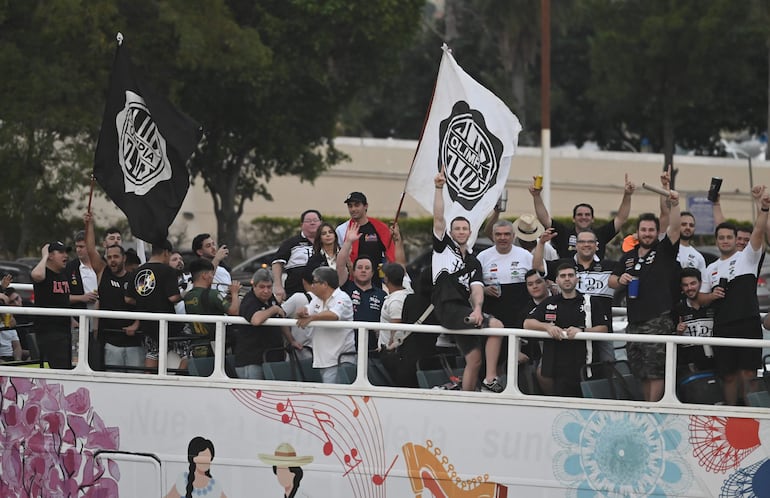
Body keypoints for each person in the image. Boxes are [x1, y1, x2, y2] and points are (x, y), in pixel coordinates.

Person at [431, 167, 506, 393]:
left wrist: (478, 309)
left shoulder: (474, 261)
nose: (461, 231)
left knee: (474, 359)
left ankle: (467, 396)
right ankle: (491, 378)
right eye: (457, 228)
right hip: (446, 307)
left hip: (463, 310)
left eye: (465, 228)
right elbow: (437, 218)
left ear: (470, 231)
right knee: (497, 325)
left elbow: (477, 289)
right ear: (452, 232)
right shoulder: (443, 248)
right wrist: (438, 188)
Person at [609, 179, 681, 402]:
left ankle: (653, 407)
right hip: (634, 322)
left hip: (658, 321)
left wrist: (675, 203)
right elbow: (611, 281)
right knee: (639, 369)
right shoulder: (628, 256)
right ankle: (645, 405)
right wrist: (621, 279)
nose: (647, 233)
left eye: (651, 230)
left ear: (656, 232)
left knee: (655, 370)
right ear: (637, 232)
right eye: (643, 230)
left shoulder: (663, 252)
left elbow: (675, 226)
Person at [698, 186, 770, 405]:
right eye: (722, 237)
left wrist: (763, 207)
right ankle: (731, 411)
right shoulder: (710, 268)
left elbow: (758, 230)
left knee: (749, 374)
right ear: (717, 240)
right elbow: (701, 299)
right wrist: (712, 296)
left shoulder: (747, 257)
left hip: (748, 323)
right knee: (727, 375)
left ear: (736, 239)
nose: (726, 240)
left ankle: (750, 411)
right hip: (723, 326)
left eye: (730, 237)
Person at [524, 263, 610, 397]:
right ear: (557, 281)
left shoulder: (591, 301)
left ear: (577, 279)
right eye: (563, 276)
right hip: (559, 370)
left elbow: (603, 329)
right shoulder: (549, 302)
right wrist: (547, 327)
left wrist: (581, 331)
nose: (567, 279)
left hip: (587, 369)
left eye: (570, 275)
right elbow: (528, 323)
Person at [541, 228, 618, 363]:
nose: (586, 245)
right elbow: (538, 267)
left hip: (601, 328)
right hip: (567, 327)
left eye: (590, 241)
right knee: (566, 366)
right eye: (582, 242)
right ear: (576, 245)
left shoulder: (611, 266)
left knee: (608, 366)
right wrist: (541, 243)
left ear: (597, 245)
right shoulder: (564, 265)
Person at [529, 173, 635, 259]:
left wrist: (627, 195)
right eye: (579, 215)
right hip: (568, 281)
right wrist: (536, 196)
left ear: (592, 219)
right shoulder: (563, 234)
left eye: (587, 215)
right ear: (573, 219)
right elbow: (544, 219)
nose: (583, 217)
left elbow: (621, 219)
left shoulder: (600, 234)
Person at [125, 239, 182, 370]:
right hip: (168, 325)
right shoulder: (168, 271)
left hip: (146, 324)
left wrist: (145, 300)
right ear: (166, 252)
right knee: (185, 354)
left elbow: (128, 299)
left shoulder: (137, 271)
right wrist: (184, 295)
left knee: (152, 354)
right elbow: (173, 297)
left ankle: (148, 384)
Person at [235, 268, 299, 379]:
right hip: (252, 360)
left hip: (271, 357)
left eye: (269, 287)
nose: (266, 291)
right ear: (254, 286)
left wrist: (292, 341)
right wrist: (273, 309)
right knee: (253, 395)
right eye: (262, 287)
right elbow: (256, 320)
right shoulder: (250, 301)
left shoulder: (271, 299)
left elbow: (281, 320)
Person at [295, 266, 355, 383]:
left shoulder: (343, 298)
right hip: (324, 360)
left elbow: (334, 314)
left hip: (340, 360)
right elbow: (308, 311)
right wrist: (301, 312)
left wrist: (313, 317)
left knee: (337, 398)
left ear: (325, 284)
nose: (312, 286)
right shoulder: (317, 300)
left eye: (314, 282)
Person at [337, 222, 387, 353]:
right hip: (347, 348)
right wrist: (348, 242)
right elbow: (340, 265)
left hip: (373, 350)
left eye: (367, 268)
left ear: (372, 272)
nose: (363, 271)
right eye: (359, 268)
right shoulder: (346, 286)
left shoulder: (382, 295)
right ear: (352, 271)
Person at [184, 259, 242, 363]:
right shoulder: (212, 294)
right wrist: (235, 293)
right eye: (211, 274)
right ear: (205, 276)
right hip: (214, 344)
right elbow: (234, 312)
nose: (212, 277)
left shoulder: (188, 296)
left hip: (197, 344)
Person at [97, 244, 144, 372]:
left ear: (124, 258)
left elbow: (145, 304)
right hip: (111, 343)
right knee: (113, 385)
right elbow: (90, 250)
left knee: (136, 383)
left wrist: (136, 324)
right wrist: (89, 223)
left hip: (134, 342)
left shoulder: (135, 278)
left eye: (116, 256)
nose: (112, 260)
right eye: (109, 257)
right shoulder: (104, 273)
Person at [30, 241, 74, 369]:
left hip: (64, 329)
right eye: (61, 252)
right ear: (50, 256)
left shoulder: (63, 274)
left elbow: (63, 300)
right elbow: (36, 275)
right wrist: (44, 256)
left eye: (66, 252)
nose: (65, 255)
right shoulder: (44, 273)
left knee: (68, 366)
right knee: (60, 368)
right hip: (49, 330)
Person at [335, 192, 395, 283]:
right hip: (352, 281)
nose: (353, 209)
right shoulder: (341, 229)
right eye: (350, 206)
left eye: (357, 205)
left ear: (365, 206)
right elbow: (340, 258)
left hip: (376, 282)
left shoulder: (380, 227)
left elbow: (391, 255)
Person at [272, 209, 322, 302]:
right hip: (295, 292)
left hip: (322, 293)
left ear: (321, 223)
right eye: (308, 221)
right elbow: (277, 263)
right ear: (301, 225)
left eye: (315, 220)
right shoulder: (291, 243)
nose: (312, 223)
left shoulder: (327, 242)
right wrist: (278, 286)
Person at [673, 267, 715, 375]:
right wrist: (678, 332)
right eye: (685, 285)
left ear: (701, 283)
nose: (689, 288)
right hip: (689, 366)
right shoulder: (678, 308)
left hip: (715, 362)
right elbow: (672, 340)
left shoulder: (714, 305)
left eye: (693, 283)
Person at [191, 233, 231, 298]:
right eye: (208, 246)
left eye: (213, 244)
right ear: (200, 252)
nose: (213, 248)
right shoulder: (196, 269)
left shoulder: (223, 270)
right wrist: (217, 259)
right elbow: (205, 279)